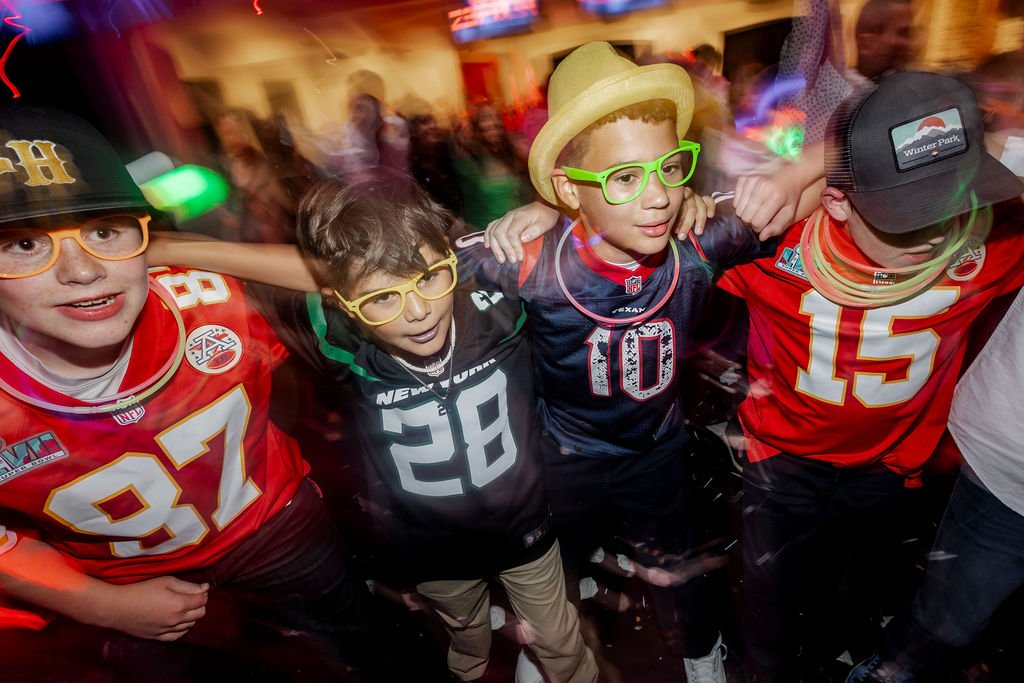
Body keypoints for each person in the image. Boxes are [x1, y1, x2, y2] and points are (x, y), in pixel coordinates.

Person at [451, 41, 818, 683]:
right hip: (566, 455)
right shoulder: (533, 261)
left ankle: (703, 656)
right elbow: (402, 267)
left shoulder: (696, 243)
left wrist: (787, 174)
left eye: (668, 169)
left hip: (656, 451)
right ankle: (553, 650)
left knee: (680, 568)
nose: (657, 199)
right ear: (570, 187)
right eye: (624, 178)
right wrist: (545, 211)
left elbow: (857, 161)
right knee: (553, 567)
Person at [147, 169, 600, 683]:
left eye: (430, 278)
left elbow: (598, 218)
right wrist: (162, 248)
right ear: (344, 303)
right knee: (466, 638)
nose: (419, 311)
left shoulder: (490, 299)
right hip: (432, 544)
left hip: (525, 523)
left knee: (561, 637)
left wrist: (550, 208)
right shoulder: (335, 331)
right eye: (382, 299)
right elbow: (304, 275)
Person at [0, 105, 396, 681]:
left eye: (104, 230)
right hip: (123, 579)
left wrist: (176, 250)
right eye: (24, 245)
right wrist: (103, 605)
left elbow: (370, 280)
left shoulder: (213, 304)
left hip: (276, 524)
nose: (83, 272)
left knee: (371, 654)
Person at [712, 71, 1024, 682]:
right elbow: (633, 255)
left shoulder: (991, 245)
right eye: (909, 216)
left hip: (889, 468)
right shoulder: (772, 245)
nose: (937, 232)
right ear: (838, 202)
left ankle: (836, 651)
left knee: (856, 588)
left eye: (955, 203)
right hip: (782, 462)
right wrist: (546, 209)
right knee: (768, 593)